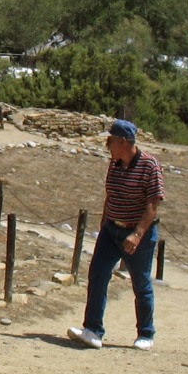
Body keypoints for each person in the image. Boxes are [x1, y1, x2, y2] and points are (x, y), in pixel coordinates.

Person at [68, 118, 165, 351]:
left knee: (141, 282)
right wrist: (104, 222)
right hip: (111, 229)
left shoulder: (150, 166)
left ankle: (146, 333)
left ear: (123, 141)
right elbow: (110, 195)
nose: (108, 145)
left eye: (111, 141)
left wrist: (137, 234)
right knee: (98, 274)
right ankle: (93, 330)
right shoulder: (114, 164)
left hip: (137, 233)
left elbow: (153, 203)